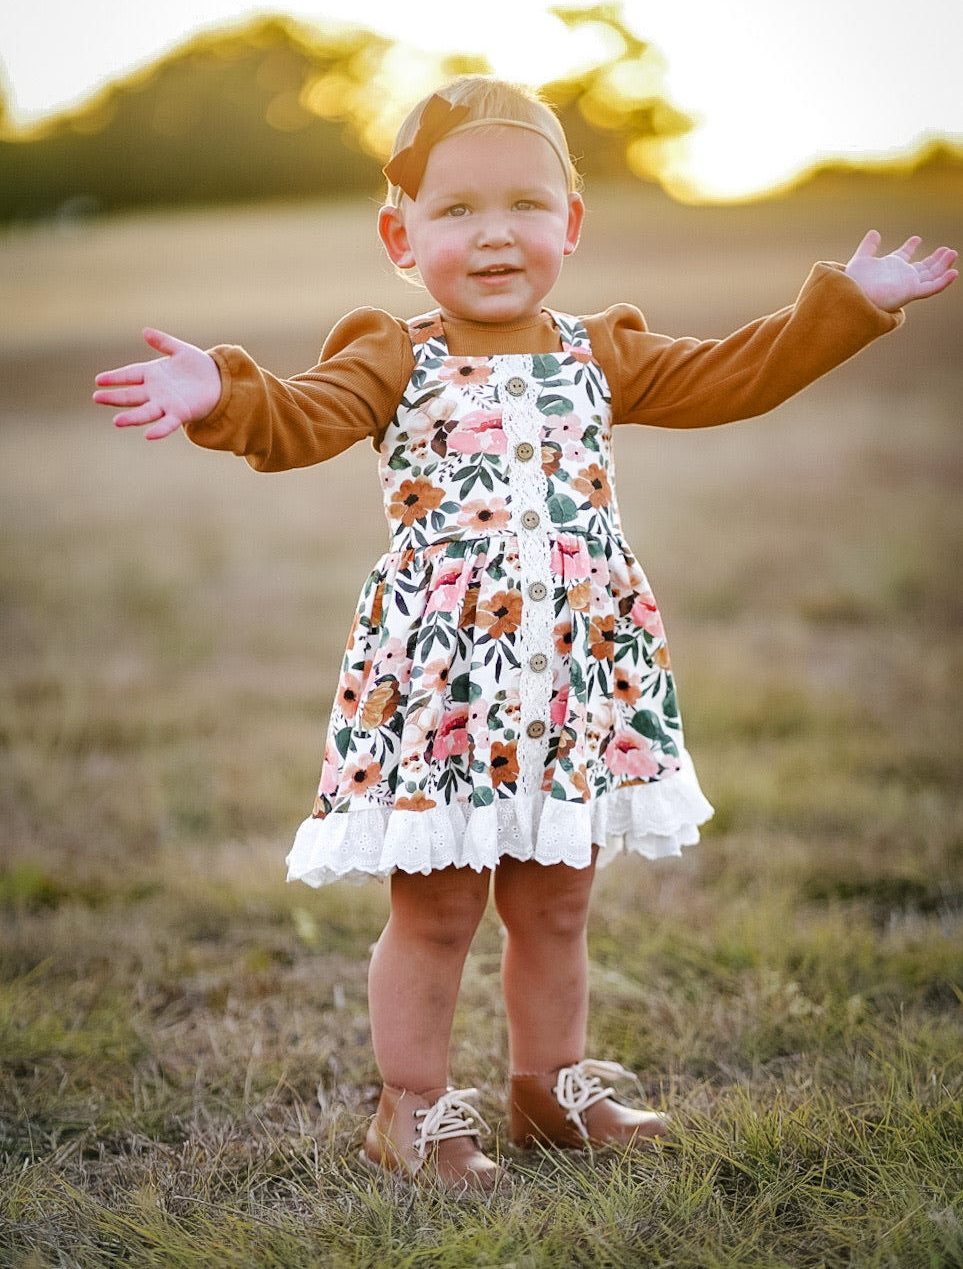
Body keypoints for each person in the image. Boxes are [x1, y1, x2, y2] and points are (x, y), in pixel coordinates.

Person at [94, 76, 957, 1194]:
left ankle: (549, 1091)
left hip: (576, 677)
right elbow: (299, 417)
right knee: (441, 905)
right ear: (401, 236)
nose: (495, 232)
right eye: (455, 211)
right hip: (450, 681)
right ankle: (409, 1113)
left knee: (557, 897)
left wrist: (846, 301)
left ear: (572, 226)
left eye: (524, 205)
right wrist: (222, 392)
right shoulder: (390, 354)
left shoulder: (602, 351)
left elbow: (738, 375)